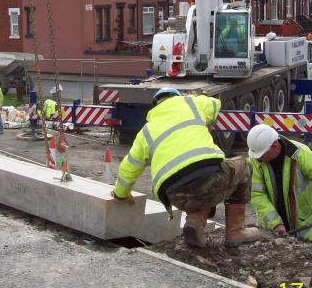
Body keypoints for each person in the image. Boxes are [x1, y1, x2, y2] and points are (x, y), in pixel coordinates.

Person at [111, 88, 262, 249]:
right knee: (243, 166)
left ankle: (195, 224)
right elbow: (215, 104)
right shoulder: (190, 103)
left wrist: (120, 194)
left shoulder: (146, 131)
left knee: (200, 188)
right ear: (177, 97)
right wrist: (195, 96)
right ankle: (236, 231)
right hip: (208, 177)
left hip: (174, 194)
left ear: (154, 107)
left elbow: (129, 167)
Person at [246, 124, 312, 242]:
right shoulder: (255, 160)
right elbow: (256, 194)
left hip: (303, 225)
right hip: (270, 228)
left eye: (261, 155)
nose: (258, 159)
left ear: (275, 146)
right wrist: (275, 224)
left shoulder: (300, 154)